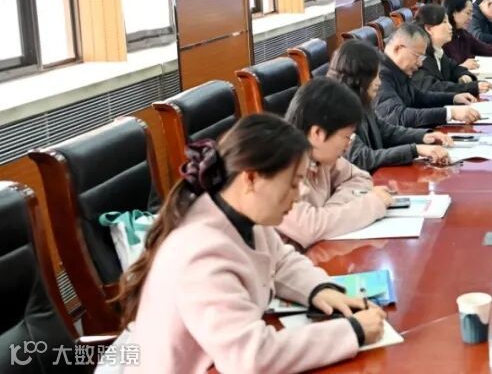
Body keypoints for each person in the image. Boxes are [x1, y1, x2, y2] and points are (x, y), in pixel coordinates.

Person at [112, 115, 386, 373]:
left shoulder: (241, 213)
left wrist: (319, 289)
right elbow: (250, 357)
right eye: (293, 183)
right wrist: (352, 332)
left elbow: (281, 260)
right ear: (251, 178)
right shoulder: (200, 253)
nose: (300, 193)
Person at [277, 78, 393, 248]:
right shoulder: (276, 166)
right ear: (317, 133)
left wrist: (331, 210)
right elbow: (309, 228)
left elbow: (360, 178)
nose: (349, 145)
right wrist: (371, 205)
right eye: (346, 137)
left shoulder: (320, 156)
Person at [328, 39, 454, 171]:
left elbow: (386, 131)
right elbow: (363, 158)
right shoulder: (336, 109)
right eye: (375, 76)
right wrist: (415, 150)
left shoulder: (359, 98)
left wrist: (424, 136)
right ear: (358, 78)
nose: (379, 82)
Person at [376, 22, 482, 128]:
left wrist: (453, 98)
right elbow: (397, 116)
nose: (420, 63)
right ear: (398, 49)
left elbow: (418, 97)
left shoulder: (396, 70)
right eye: (417, 56)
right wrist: (450, 113)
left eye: (422, 58)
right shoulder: (378, 75)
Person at [413, 3, 491, 96]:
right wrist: (471, 87)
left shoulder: (438, 51)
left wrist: (464, 76)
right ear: (429, 28)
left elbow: (455, 68)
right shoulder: (419, 57)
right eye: (444, 22)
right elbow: (436, 87)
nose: (450, 27)